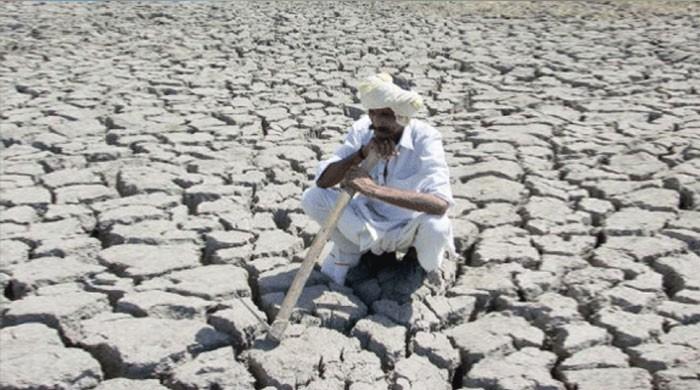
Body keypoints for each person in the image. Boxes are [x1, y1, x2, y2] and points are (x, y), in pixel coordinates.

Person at [301, 73, 456, 286]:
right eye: (373, 113)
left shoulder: (425, 138)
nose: (377, 121)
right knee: (313, 197)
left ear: (403, 115)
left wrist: (373, 190)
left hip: (407, 228)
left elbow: (440, 204)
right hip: (366, 222)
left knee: (437, 226)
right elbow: (323, 182)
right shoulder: (363, 129)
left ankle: (422, 264)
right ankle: (349, 250)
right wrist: (361, 154)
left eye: (386, 114)